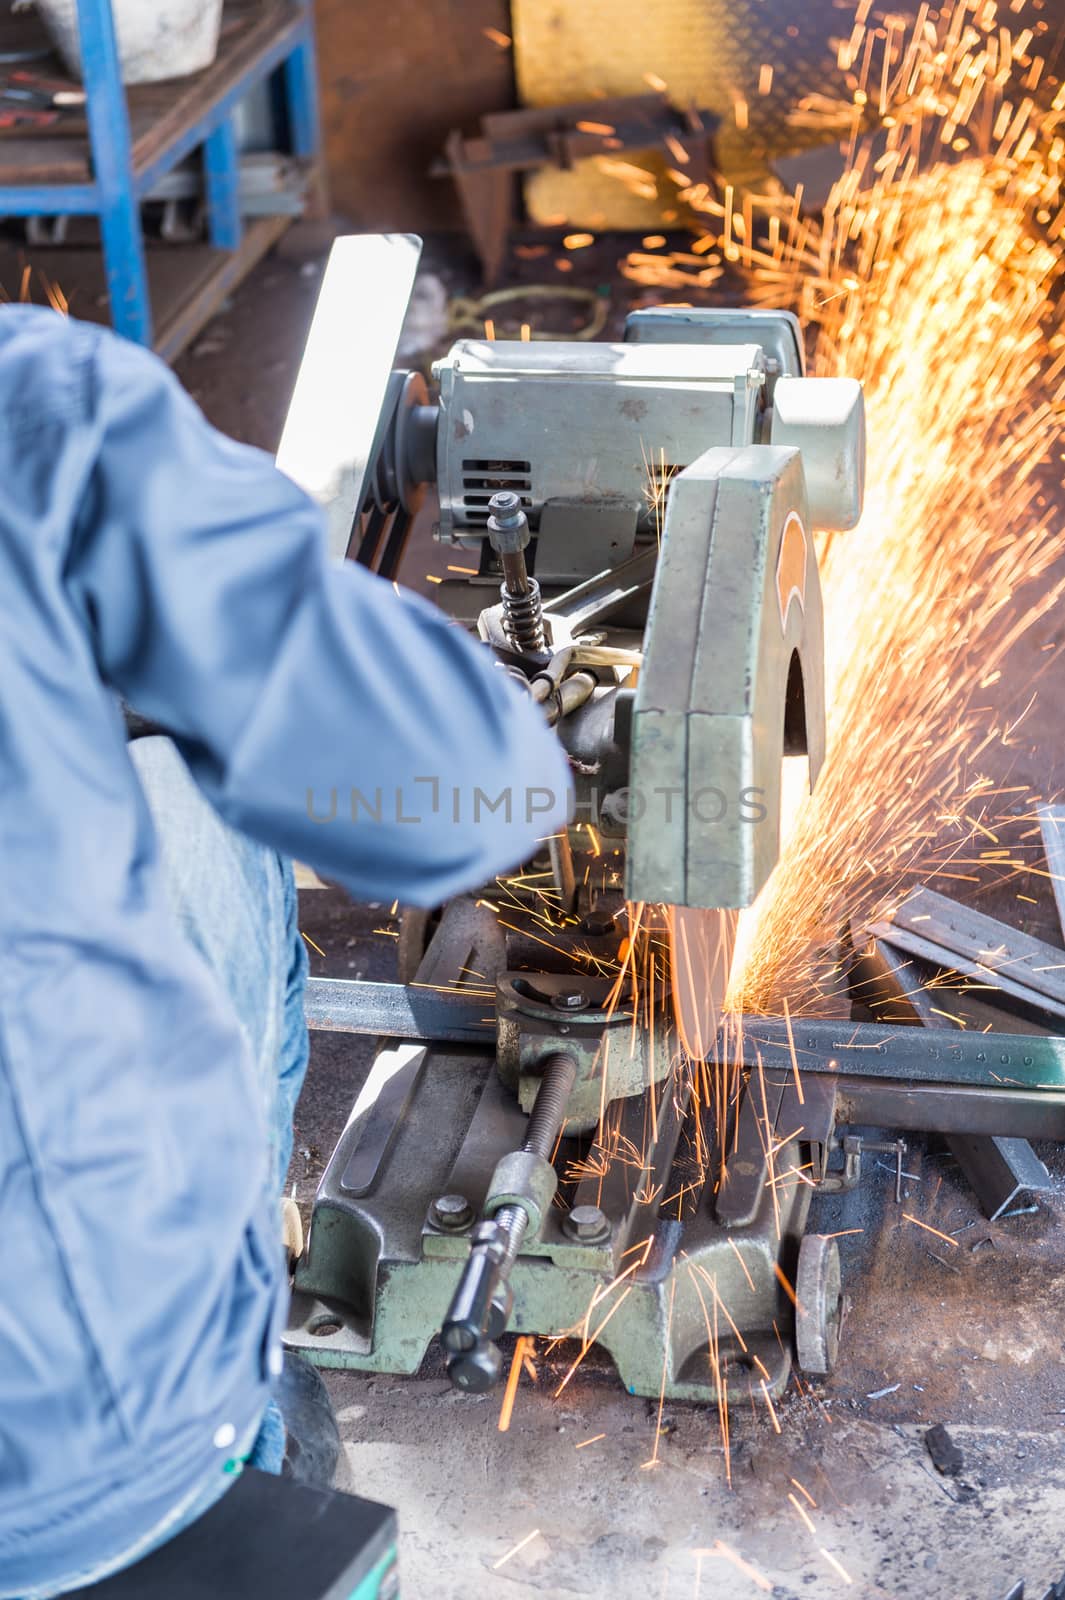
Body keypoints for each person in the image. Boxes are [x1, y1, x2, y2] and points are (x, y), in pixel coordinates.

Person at [0, 306, 572, 1598]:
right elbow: (454, 797)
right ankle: (232, 1386)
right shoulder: (34, 410)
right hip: (60, 1462)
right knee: (194, 816)